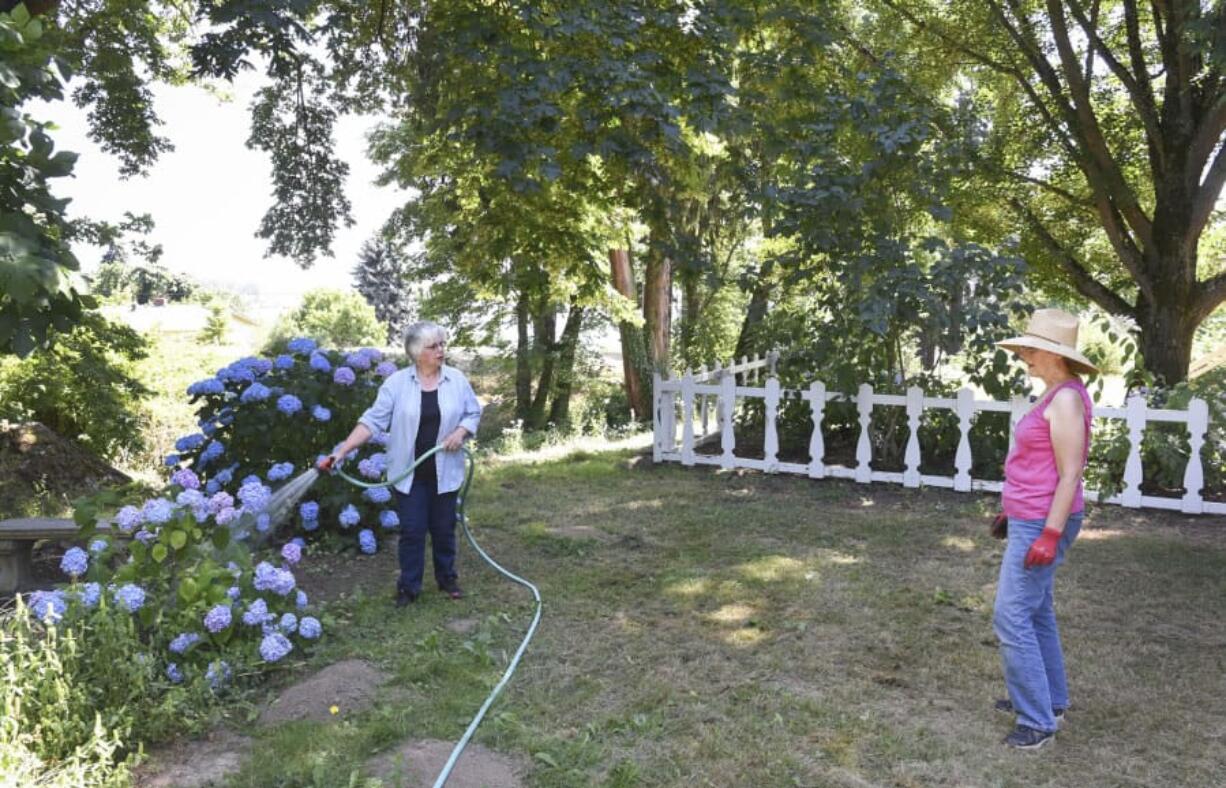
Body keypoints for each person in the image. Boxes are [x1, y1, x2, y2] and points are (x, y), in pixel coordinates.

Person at [992, 308, 1097, 750]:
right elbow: (1036, 466)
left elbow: (1070, 474)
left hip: (1044, 520)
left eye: (1029, 350)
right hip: (1030, 515)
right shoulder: (1056, 392)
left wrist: (1050, 534)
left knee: (1010, 615)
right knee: (1035, 611)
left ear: (1053, 354)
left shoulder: (1067, 399)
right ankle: (1049, 699)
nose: (1022, 357)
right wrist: (1010, 512)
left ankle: (1036, 721)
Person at [324, 321, 482, 607]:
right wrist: (342, 451)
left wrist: (460, 432)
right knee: (412, 531)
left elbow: (473, 413)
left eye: (442, 344)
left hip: (445, 471)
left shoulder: (456, 380)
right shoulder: (396, 384)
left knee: (444, 528)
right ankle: (409, 588)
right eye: (433, 346)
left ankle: (447, 578)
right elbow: (372, 421)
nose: (441, 350)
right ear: (416, 351)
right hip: (409, 473)